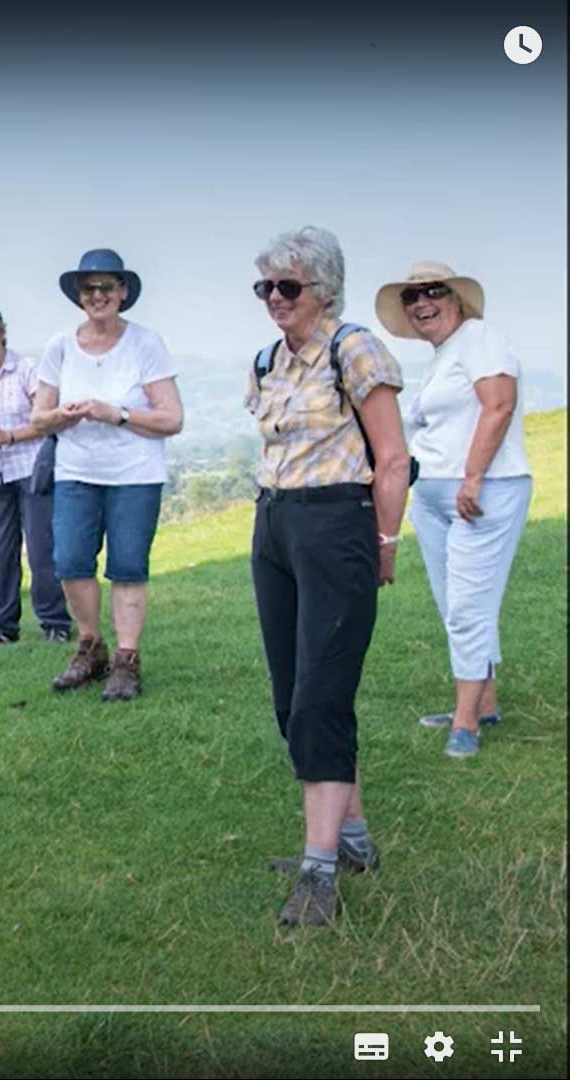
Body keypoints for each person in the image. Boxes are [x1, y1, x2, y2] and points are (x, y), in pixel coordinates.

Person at [244, 227, 410, 927]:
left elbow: (393, 457)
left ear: (325, 289)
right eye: (266, 288)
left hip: (336, 522)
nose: (275, 300)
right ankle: (353, 839)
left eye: (289, 286)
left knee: (321, 695)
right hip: (274, 524)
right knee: (293, 698)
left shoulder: (356, 347)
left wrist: (386, 542)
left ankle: (319, 876)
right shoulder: (264, 360)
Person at [378, 262, 531, 759]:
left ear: (458, 299)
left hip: (482, 492)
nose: (422, 302)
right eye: (412, 297)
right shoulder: (444, 353)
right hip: (435, 495)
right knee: (456, 607)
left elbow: (499, 404)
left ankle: (466, 724)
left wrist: (473, 476)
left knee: (468, 608)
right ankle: (483, 702)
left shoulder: (480, 337)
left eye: (433, 292)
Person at [30, 250, 183, 700]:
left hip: (134, 474)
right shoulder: (59, 346)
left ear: (123, 292)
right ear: (79, 297)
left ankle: (127, 661)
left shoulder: (145, 344)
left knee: (128, 566)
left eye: (107, 287)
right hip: (76, 472)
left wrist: (113, 413)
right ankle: (90, 646)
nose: (98, 296)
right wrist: (64, 414)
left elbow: (172, 418)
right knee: (72, 561)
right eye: (89, 288)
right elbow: (38, 419)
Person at [0, 304, 70, 648]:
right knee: (1, 552)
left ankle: (54, 622)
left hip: (32, 469)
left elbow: (48, 419)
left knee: (40, 549)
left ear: (1, 332)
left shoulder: (27, 370)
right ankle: (3, 627)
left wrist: (10, 436)